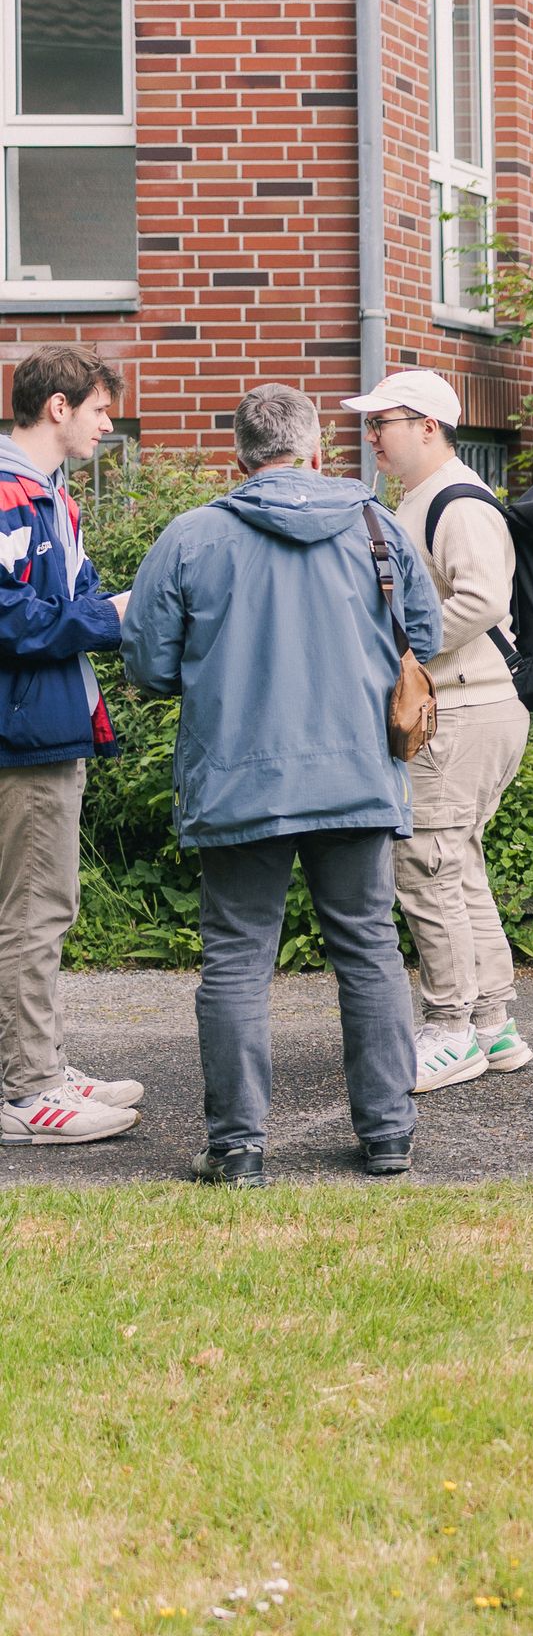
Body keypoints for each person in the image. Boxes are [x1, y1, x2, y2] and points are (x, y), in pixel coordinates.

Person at [118, 383, 443, 1184]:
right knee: (367, 950)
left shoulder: (193, 536)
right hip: (356, 777)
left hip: (237, 780)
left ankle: (236, 1149)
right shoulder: (377, 524)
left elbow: (150, 665)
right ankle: (388, 1136)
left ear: (240, 460)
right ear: (315, 453)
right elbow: (425, 636)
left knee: (235, 958)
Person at [341, 368, 533, 1093]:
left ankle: (451, 1030)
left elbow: (483, 598)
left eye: (382, 422)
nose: (371, 437)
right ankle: (493, 1025)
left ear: (427, 426)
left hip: (461, 708)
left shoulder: (456, 499)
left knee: (424, 865)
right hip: (467, 706)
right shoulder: (425, 496)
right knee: (456, 863)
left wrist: (406, 653)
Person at [0, 346, 144, 1148]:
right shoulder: (7, 495)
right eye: (98, 410)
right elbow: (7, 616)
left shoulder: (50, 496)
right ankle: (30, 1088)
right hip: (23, 733)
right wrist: (107, 620)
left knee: (36, 908)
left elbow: (70, 594)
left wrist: (102, 607)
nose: (106, 424)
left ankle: (40, 1060)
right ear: (58, 407)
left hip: (48, 722)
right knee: (35, 911)